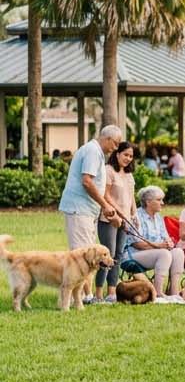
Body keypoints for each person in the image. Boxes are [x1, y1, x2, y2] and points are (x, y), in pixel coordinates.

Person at [60, 125, 128, 302]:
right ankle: (84, 296)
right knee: (81, 255)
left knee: (86, 253)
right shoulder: (92, 151)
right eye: (115, 143)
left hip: (87, 211)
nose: (116, 147)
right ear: (106, 138)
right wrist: (105, 205)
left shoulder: (96, 152)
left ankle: (84, 295)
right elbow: (87, 182)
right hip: (79, 209)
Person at [124, 185, 185, 296]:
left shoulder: (158, 217)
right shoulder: (136, 216)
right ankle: (157, 292)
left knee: (178, 252)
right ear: (148, 202)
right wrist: (160, 246)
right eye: (159, 200)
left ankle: (174, 291)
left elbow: (165, 236)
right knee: (164, 254)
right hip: (134, 254)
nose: (162, 203)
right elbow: (138, 244)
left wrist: (169, 243)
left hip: (156, 253)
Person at [96, 142, 137, 303]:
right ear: (117, 153)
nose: (128, 158)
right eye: (125, 154)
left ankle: (111, 292)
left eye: (131, 156)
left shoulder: (129, 174)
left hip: (125, 220)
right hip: (109, 219)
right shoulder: (108, 171)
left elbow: (131, 196)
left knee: (118, 255)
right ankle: (98, 293)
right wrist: (118, 213)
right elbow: (105, 195)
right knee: (108, 254)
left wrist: (134, 215)